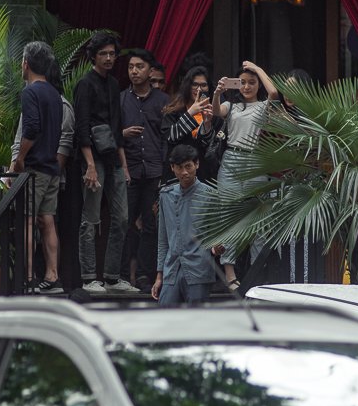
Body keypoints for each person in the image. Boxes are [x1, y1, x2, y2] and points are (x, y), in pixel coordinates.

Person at [73, 31, 135, 294]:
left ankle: (111, 275)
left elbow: (116, 128)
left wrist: (124, 165)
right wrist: (88, 165)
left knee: (121, 217)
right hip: (93, 158)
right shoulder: (85, 84)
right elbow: (82, 128)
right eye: (103, 54)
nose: (109, 58)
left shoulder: (113, 85)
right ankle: (88, 277)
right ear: (93, 57)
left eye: (112, 53)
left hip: (113, 157)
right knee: (91, 218)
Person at [214, 59, 282, 292]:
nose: (246, 87)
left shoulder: (263, 106)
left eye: (251, 82)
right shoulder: (231, 106)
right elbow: (215, 112)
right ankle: (230, 274)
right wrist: (218, 92)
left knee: (258, 220)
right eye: (242, 83)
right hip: (231, 160)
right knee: (229, 218)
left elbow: (273, 91)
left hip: (254, 161)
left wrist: (257, 67)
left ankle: (255, 274)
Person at [8, 41, 65, 293]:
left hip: (35, 169)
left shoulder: (30, 92)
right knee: (47, 220)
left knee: (28, 220)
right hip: (52, 166)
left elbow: (30, 128)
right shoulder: (54, 94)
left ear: (26, 64)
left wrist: (20, 159)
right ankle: (52, 275)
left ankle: (28, 277)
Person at [120, 48, 168, 290]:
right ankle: (120, 274)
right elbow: (110, 135)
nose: (134, 71)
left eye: (139, 66)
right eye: (130, 67)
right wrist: (123, 133)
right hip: (128, 170)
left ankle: (143, 274)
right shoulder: (121, 99)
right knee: (125, 222)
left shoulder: (163, 101)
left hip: (154, 172)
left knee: (151, 225)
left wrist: (164, 174)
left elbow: (166, 138)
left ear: (150, 71)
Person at [153, 143, 218, 307]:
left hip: (199, 268)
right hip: (171, 269)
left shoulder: (210, 195)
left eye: (188, 166)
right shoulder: (165, 195)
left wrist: (219, 247)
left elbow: (220, 232)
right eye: (179, 167)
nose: (184, 172)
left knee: (196, 323)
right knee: (164, 314)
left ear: (197, 164)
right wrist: (159, 276)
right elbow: (163, 239)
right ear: (172, 168)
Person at [163, 65, 222, 182]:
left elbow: (211, 146)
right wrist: (190, 113)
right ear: (187, 86)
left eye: (203, 85)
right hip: (177, 172)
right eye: (194, 84)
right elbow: (170, 137)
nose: (199, 89)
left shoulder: (213, 112)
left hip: (204, 173)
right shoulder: (173, 111)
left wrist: (207, 124)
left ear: (209, 88)